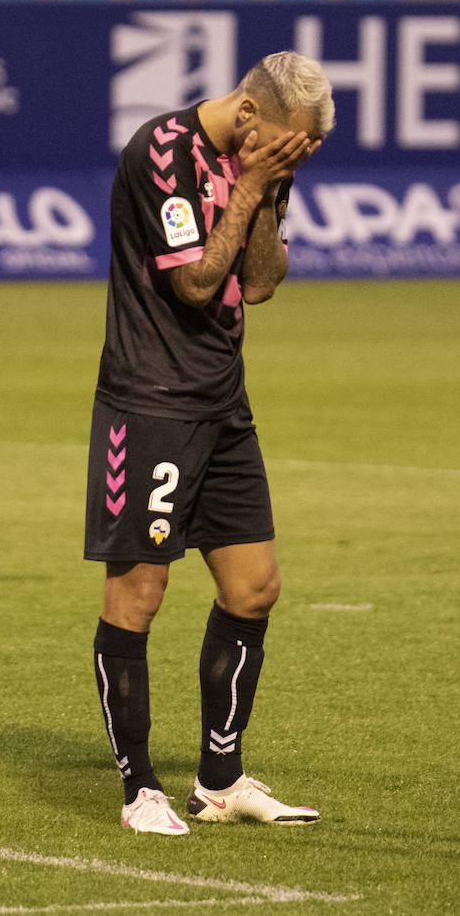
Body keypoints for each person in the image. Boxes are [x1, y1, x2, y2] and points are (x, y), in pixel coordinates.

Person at [84, 51, 334, 835]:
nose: (294, 157)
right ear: (251, 113)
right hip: (149, 402)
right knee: (138, 595)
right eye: (290, 145)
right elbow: (194, 282)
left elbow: (258, 281)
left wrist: (267, 187)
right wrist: (255, 185)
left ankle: (220, 780)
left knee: (254, 586)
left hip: (224, 401)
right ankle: (139, 790)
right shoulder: (162, 151)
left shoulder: (266, 158)